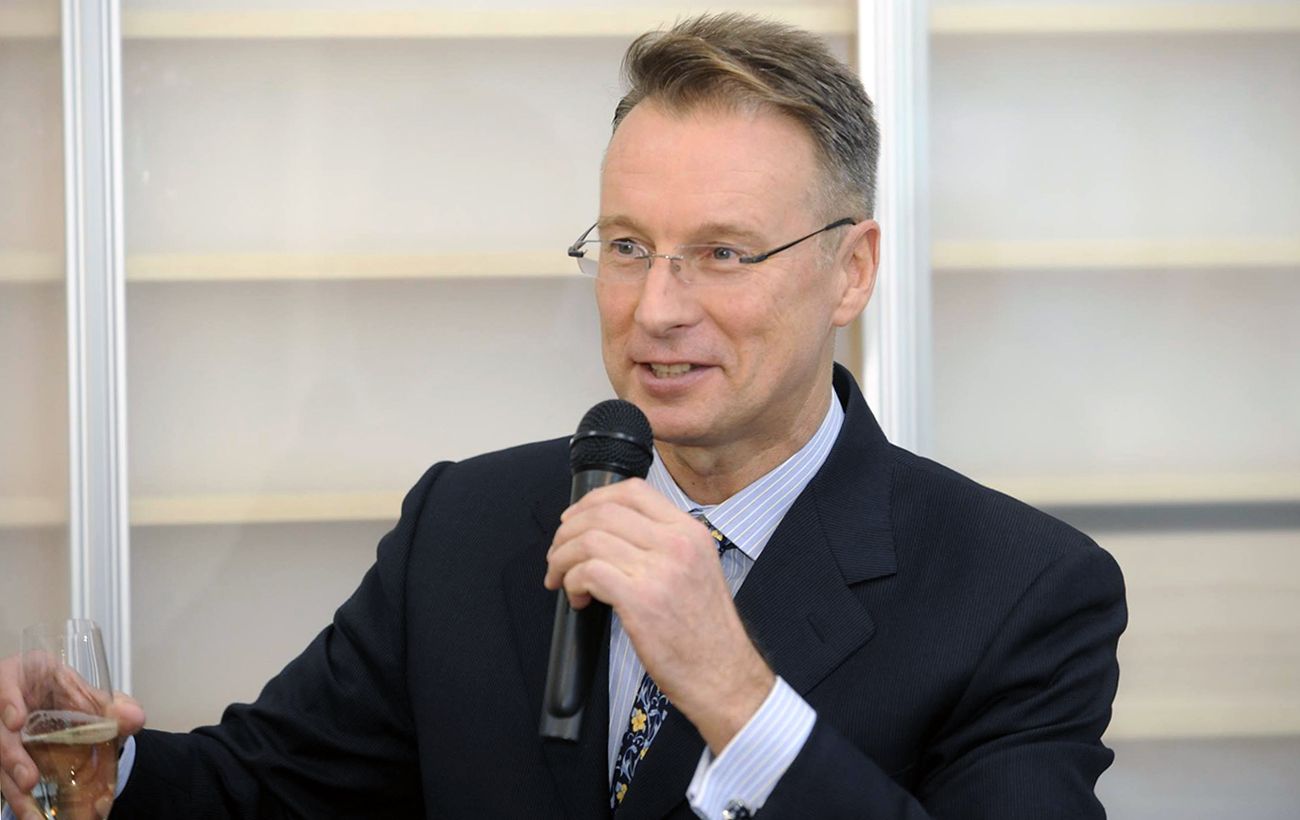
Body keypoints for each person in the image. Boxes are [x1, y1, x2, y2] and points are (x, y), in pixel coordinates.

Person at [1, 13, 1125, 819]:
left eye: (723, 254)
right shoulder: (467, 522)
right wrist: (87, 765)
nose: (656, 307)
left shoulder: (1020, 590)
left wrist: (738, 695)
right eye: (628, 246)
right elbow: (262, 789)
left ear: (851, 271)